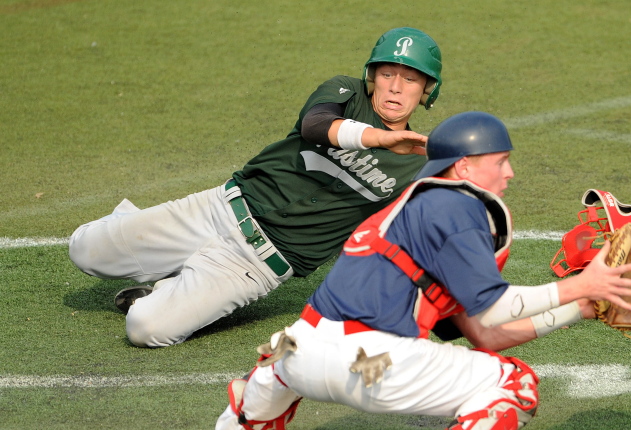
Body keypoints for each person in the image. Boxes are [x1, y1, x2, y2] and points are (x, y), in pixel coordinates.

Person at [210, 111, 631, 430]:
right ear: (465, 167)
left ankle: (237, 429)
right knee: (516, 382)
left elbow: (487, 335)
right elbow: (492, 306)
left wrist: (578, 308)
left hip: (295, 353)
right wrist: (579, 285)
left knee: (286, 357)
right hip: (368, 367)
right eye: (501, 160)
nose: (509, 172)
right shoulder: (458, 206)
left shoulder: (411, 211)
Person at [68, 27, 442, 347]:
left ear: (426, 90)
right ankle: (148, 241)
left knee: (144, 328)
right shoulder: (345, 90)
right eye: (387, 74)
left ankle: (167, 289)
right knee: (84, 249)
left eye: (409, 79)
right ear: (371, 75)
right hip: (216, 209)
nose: (395, 87)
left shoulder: (421, 165)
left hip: (254, 265)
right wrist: (379, 139)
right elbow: (315, 125)